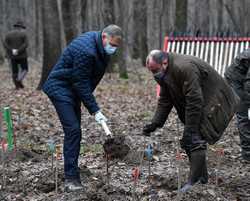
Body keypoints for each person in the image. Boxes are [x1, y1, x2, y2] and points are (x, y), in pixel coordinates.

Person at [143, 50, 239, 192]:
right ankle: (202, 178)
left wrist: (191, 128)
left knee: (194, 139)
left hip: (216, 100)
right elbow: (165, 99)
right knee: (190, 138)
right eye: (152, 71)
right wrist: (155, 123)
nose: (155, 74)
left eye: (156, 70)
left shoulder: (184, 67)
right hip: (198, 102)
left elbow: (194, 100)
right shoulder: (162, 72)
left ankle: (193, 183)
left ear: (164, 62)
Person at [42, 25, 122, 192]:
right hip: (60, 87)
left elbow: (87, 80)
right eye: (112, 45)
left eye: (116, 47)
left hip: (73, 90)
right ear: (104, 37)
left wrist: (90, 105)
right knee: (73, 131)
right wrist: (95, 110)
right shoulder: (86, 50)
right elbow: (81, 82)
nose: (113, 49)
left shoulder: (101, 50)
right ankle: (71, 179)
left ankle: (73, 171)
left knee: (75, 132)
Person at [224, 48, 250, 162]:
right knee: (244, 115)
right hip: (235, 80)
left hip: (243, 79)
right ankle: (247, 154)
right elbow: (248, 84)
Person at [3, 21, 29, 89]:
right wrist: (18, 50)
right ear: (20, 27)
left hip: (12, 56)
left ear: (15, 27)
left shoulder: (8, 34)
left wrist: (12, 50)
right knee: (25, 69)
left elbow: (5, 44)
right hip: (22, 55)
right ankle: (19, 80)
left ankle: (17, 86)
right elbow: (26, 44)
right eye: (22, 27)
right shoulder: (24, 34)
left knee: (15, 71)